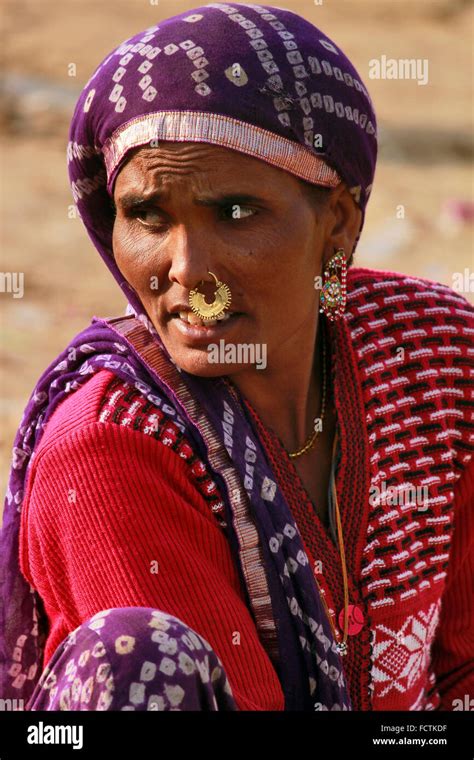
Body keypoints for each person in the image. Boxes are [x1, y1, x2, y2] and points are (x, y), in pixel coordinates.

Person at [1, 3, 472, 712]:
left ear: (336, 224)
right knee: (142, 657)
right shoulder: (106, 449)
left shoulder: (436, 356)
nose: (187, 269)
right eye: (148, 215)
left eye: (236, 213)